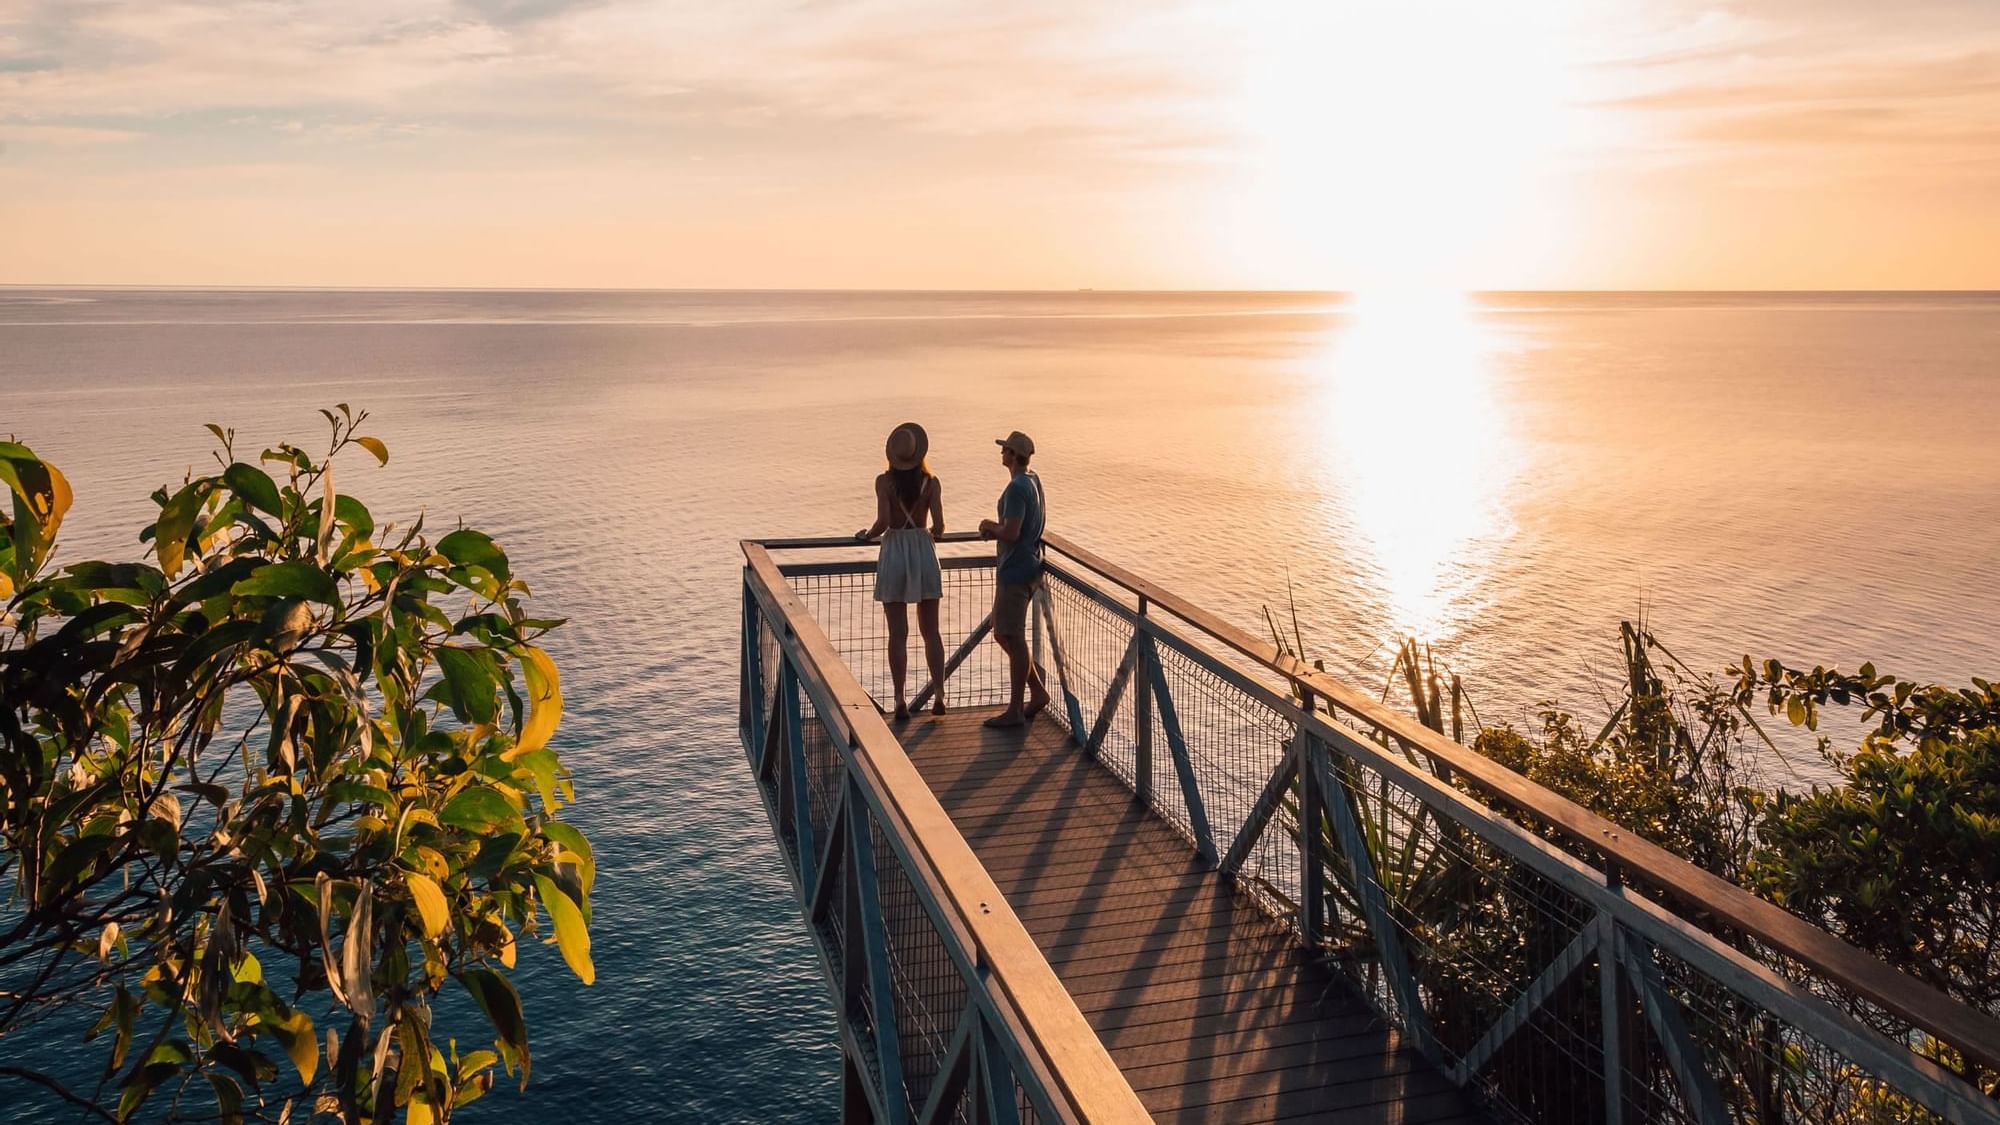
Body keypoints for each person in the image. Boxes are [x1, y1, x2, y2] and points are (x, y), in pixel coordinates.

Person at [857, 422, 947, 720]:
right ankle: (939, 695)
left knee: (898, 634)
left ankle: (899, 699)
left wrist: (866, 535)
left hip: (895, 550)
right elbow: (940, 527)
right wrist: (931, 530)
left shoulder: (884, 482)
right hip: (922, 549)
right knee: (930, 632)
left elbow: (883, 521)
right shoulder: (931, 483)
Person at [978, 430, 1052, 728]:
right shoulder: (1032, 480)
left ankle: (1015, 710)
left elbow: (1011, 532)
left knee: (1013, 637)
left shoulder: (1016, 489)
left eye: (1005, 450)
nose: (1001, 454)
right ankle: (1036, 693)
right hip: (1028, 565)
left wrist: (989, 526)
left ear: (1013, 455)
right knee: (1003, 632)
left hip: (1016, 569)